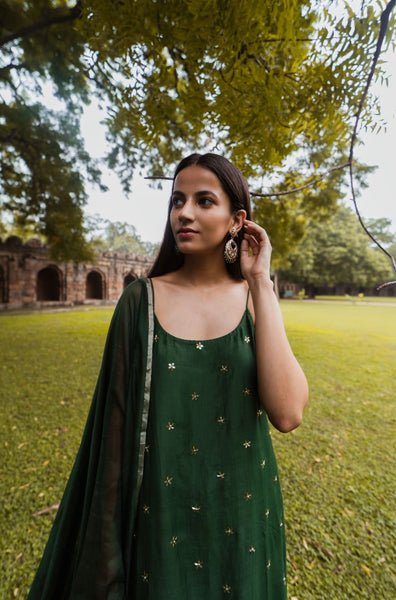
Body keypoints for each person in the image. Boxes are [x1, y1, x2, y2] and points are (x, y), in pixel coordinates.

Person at [28, 153, 308, 600]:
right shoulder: (141, 302)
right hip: (158, 507)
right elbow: (113, 431)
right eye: (177, 200)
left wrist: (260, 282)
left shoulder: (255, 299)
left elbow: (289, 412)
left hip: (245, 507)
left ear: (237, 220)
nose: (185, 212)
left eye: (203, 200)